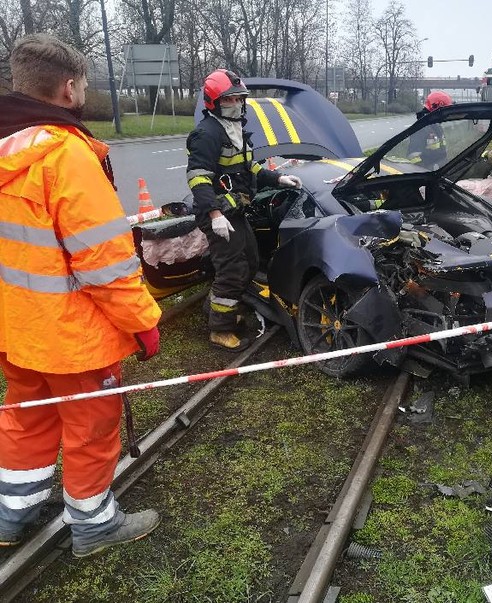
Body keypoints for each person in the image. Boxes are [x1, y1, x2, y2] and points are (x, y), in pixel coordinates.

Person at [0, 34, 162, 557]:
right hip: (73, 333)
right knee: (91, 424)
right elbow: (105, 263)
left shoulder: (6, 147)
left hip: (16, 328)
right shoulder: (66, 155)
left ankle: (11, 513)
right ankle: (93, 523)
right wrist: (143, 321)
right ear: (69, 88)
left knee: (27, 414)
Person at [187, 69, 302, 352]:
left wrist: (277, 178)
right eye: (230, 99)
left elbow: (247, 167)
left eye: (240, 98)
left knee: (250, 261)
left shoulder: (235, 128)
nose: (237, 103)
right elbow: (198, 178)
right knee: (232, 269)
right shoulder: (206, 134)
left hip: (234, 210)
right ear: (214, 102)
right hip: (217, 214)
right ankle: (220, 329)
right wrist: (214, 214)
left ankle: (219, 308)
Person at [407, 90, 453, 169]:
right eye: (445, 111)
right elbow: (413, 156)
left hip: (439, 171)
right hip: (426, 175)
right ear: (438, 107)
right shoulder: (421, 128)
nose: (446, 116)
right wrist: (425, 171)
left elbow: (442, 153)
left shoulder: (436, 127)